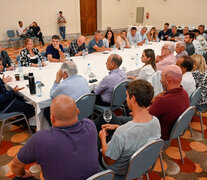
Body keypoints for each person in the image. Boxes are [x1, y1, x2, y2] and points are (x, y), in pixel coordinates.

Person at [11, 95, 99, 180]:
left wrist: (23, 174)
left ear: (52, 118)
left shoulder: (41, 139)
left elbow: (15, 166)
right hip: (94, 178)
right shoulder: (90, 125)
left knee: (17, 178)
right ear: (77, 111)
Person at [99, 79, 161, 175]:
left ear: (133, 99)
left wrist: (102, 138)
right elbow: (138, 133)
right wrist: (118, 127)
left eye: (127, 96)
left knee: (93, 140)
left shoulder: (122, 133)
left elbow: (108, 161)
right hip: (138, 166)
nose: (126, 99)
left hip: (116, 170)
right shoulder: (156, 121)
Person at [149, 65, 190, 140]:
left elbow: (146, 119)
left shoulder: (163, 100)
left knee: (121, 120)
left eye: (162, 77)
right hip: (172, 132)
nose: (161, 80)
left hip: (157, 135)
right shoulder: (184, 93)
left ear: (167, 80)